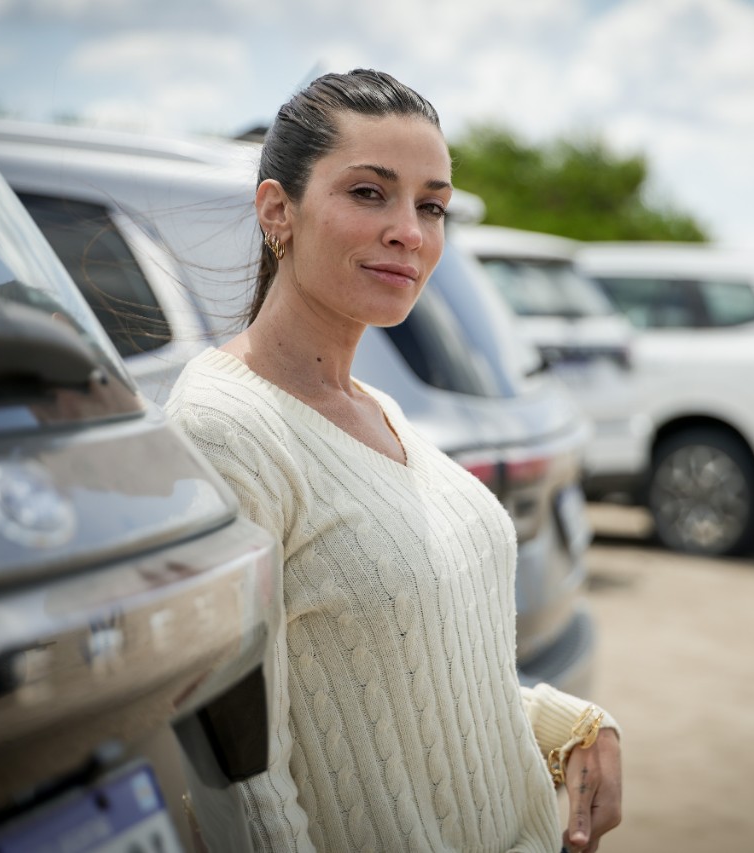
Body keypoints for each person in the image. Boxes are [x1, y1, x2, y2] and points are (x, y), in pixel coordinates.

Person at [166, 69, 622, 853]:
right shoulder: (223, 427)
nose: (409, 231)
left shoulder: (379, 407)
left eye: (431, 205)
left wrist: (567, 725)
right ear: (277, 210)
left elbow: (405, 679)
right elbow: (239, 777)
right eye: (369, 193)